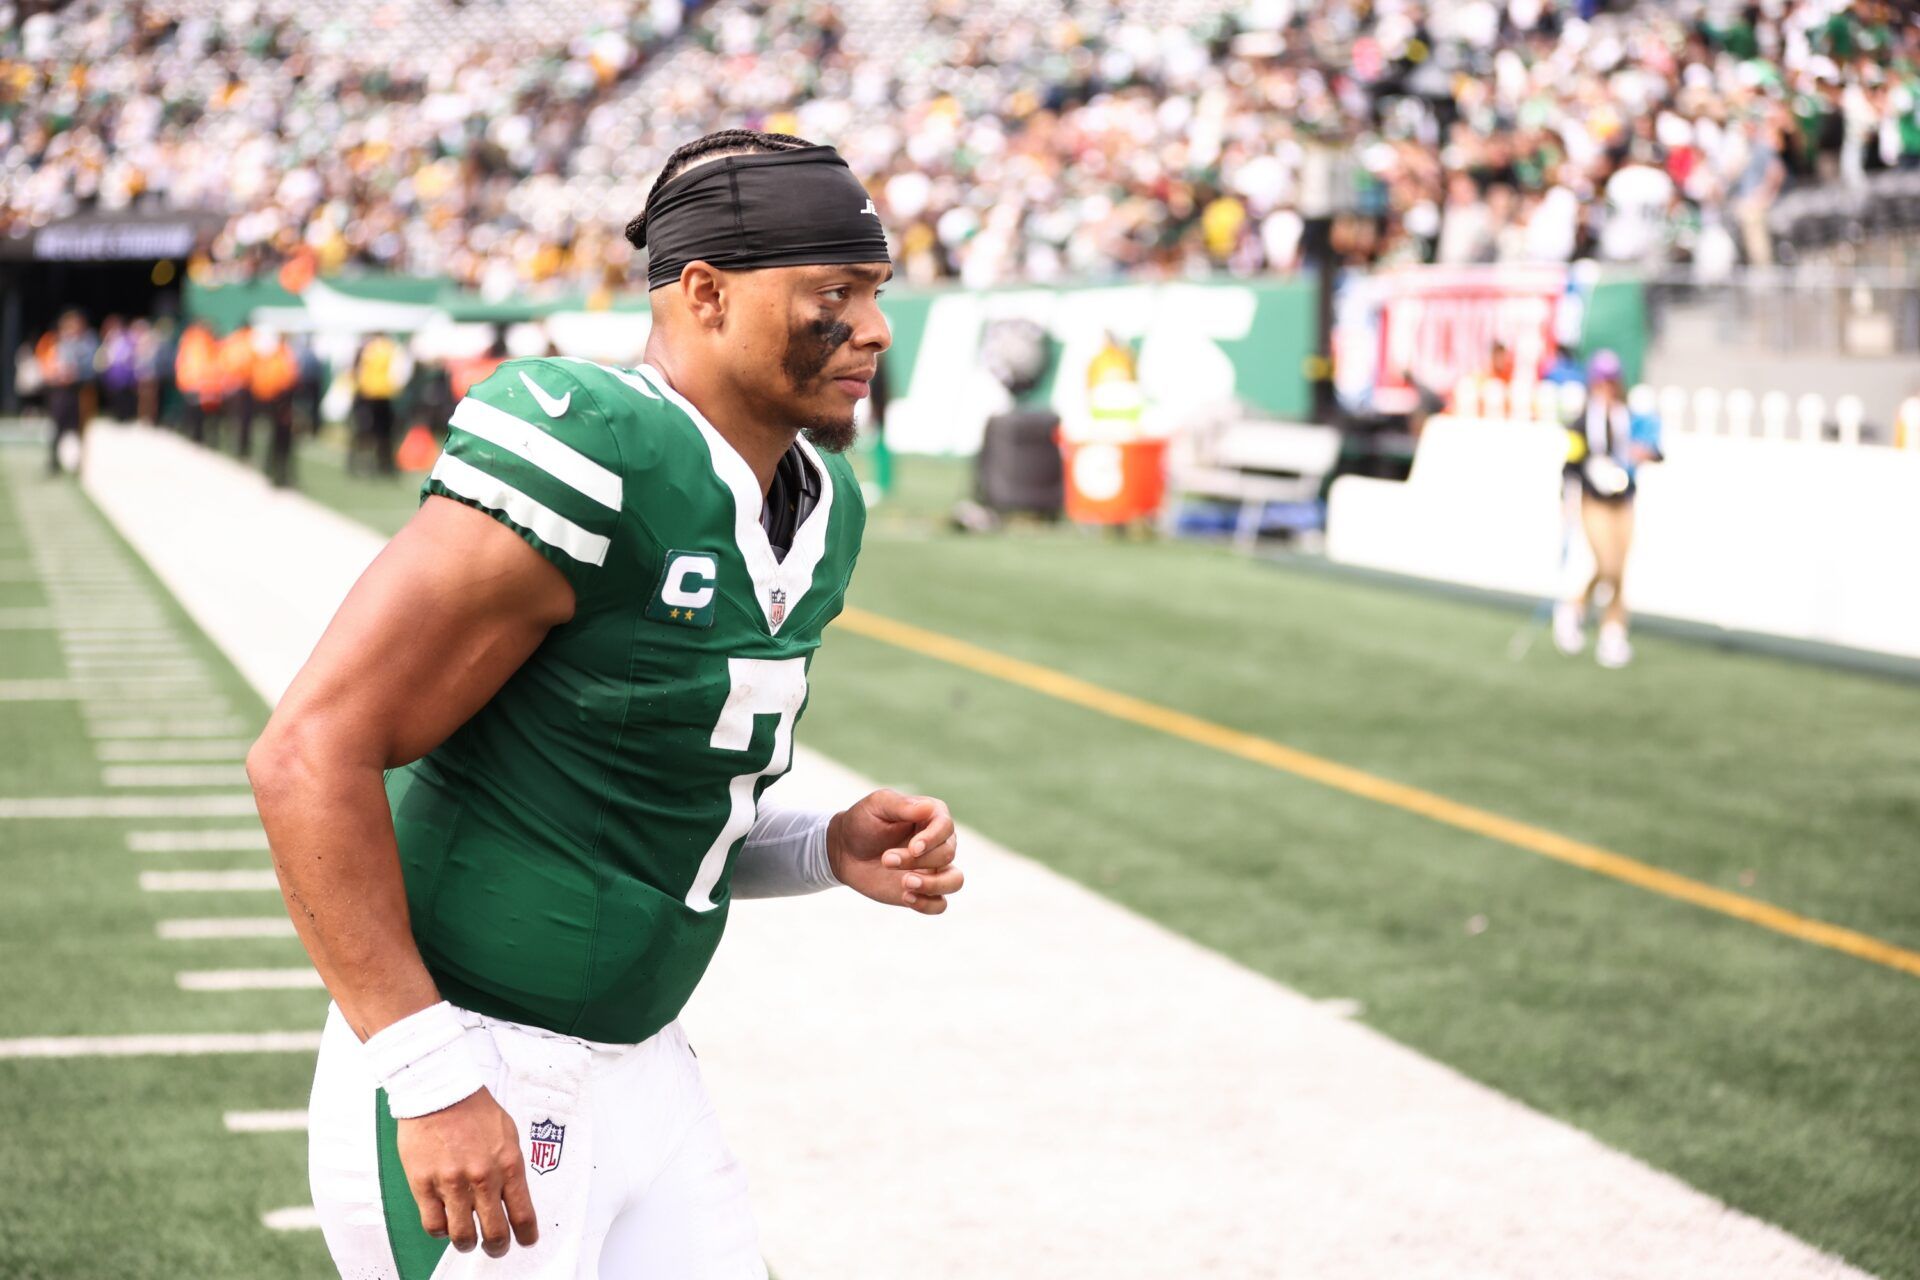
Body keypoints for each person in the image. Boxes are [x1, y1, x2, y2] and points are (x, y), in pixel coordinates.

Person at [247, 129, 961, 1280]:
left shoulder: (821, 501)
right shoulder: (594, 444)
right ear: (706, 292)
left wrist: (824, 845)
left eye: (875, 293)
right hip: (483, 1057)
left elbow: (653, 805)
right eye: (835, 292)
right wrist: (432, 1077)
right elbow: (308, 751)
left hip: (649, 1070)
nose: (874, 328)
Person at [1553, 350, 1662, 668]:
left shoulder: (1631, 415)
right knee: (1607, 565)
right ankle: (1574, 608)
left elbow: (1655, 448)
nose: (1607, 386)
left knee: (1619, 569)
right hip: (1594, 499)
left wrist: (1646, 454)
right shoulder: (1582, 420)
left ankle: (1613, 631)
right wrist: (1566, 499)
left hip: (1624, 498)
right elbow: (1571, 463)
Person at [36, 311, 94, 475]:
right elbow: (49, 364)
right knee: (57, 427)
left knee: (78, 429)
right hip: (60, 391)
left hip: (79, 391)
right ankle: (54, 461)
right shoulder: (58, 343)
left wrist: (76, 373)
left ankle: (79, 462)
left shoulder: (87, 344)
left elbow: (90, 369)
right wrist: (56, 373)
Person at [351, 332, 407, 476]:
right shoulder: (390, 349)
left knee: (364, 432)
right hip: (383, 395)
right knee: (383, 434)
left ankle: (360, 464)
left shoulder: (367, 348)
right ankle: (383, 465)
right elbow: (399, 374)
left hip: (367, 394)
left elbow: (357, 370)